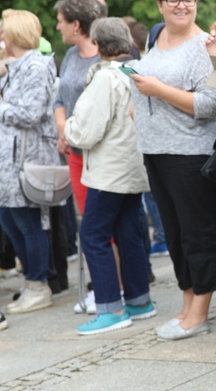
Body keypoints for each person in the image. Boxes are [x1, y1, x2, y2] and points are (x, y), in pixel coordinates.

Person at [129, 0, 216, 341]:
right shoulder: (158, 39)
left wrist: (158, 89)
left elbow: (208, 104)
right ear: (160, 5)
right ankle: (187, 305)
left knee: (197, 232)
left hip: (191, 152)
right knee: (174, 232)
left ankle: (199, 313)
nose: (182, 6)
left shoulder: (205, 46)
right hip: (156, 150)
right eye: (174, 0)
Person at [64, 18, 155, 335]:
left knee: (93, 235)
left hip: (109, 170)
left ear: (98, 45)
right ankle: (139, 300)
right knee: (129, 232)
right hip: (132, 166)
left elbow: (87, 130)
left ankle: (110, 308)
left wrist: (67, 129)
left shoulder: (105, 78)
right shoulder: (135, 72)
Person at [0, 9, 59, 314]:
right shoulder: (18, 66)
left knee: (28, 222)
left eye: (4, 31)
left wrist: (0, 105)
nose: (1, 37)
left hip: (28, 156)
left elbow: (30, 113)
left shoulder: (35, 66)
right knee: (9, 219)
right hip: (9, 159)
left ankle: (38, 284)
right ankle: (31, 281)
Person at [53, 0, 104, 215]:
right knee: (86, 216)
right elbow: (60, 98)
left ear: (75, 25)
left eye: (61, 21)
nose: (57, 27)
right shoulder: (71, 55)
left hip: (101, 153)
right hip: (74, 151)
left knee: (103, 224)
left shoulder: (105, 56)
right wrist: (63, 130)